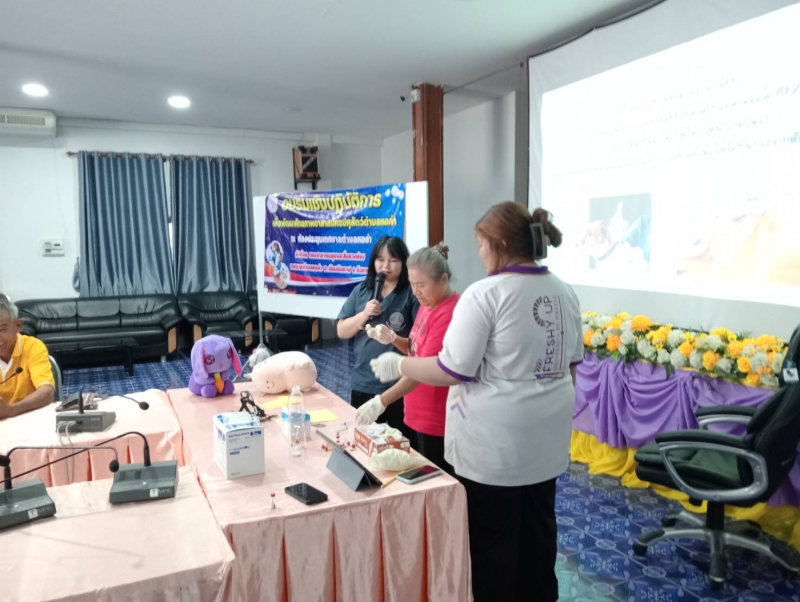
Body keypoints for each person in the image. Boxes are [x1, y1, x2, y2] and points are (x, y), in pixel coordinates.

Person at [370, 202, 583, 602]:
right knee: (539, 537)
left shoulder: (486, 294)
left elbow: (453, 369)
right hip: (548, 442)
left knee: (492, 545)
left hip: (496, 450)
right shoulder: (563, 291)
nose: (480, 254)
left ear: (499, 244)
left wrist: (401, 363)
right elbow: (571, 367)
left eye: (481, 245)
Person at [354, 243, 458, 474]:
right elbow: (415, 349)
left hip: (435, 418)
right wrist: (393, 338)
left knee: (434, 482)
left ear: (443, 280)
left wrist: (381, 401)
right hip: (415, 412)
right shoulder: (427, 305)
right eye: (412, 284)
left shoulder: (448, 313)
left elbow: (422, 371)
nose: (415, 291)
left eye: (421, 285)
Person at [336, 236, 418, 443]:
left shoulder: (411, 293)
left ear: (404, 263)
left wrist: (392, 338)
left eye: (393, 260)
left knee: (401, 446)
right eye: (380, 260)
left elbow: (419, 345)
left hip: (399, 388)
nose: (386, 266)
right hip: (363, 383)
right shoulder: (362, 290)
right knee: (364, 445)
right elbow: (342, 331)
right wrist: (364, 314)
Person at [0, 299, 55, 419]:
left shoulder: (32, 347)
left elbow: (47, 392)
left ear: (18, 326)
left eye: (2, 330)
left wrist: (12, 410)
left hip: (30, 417)